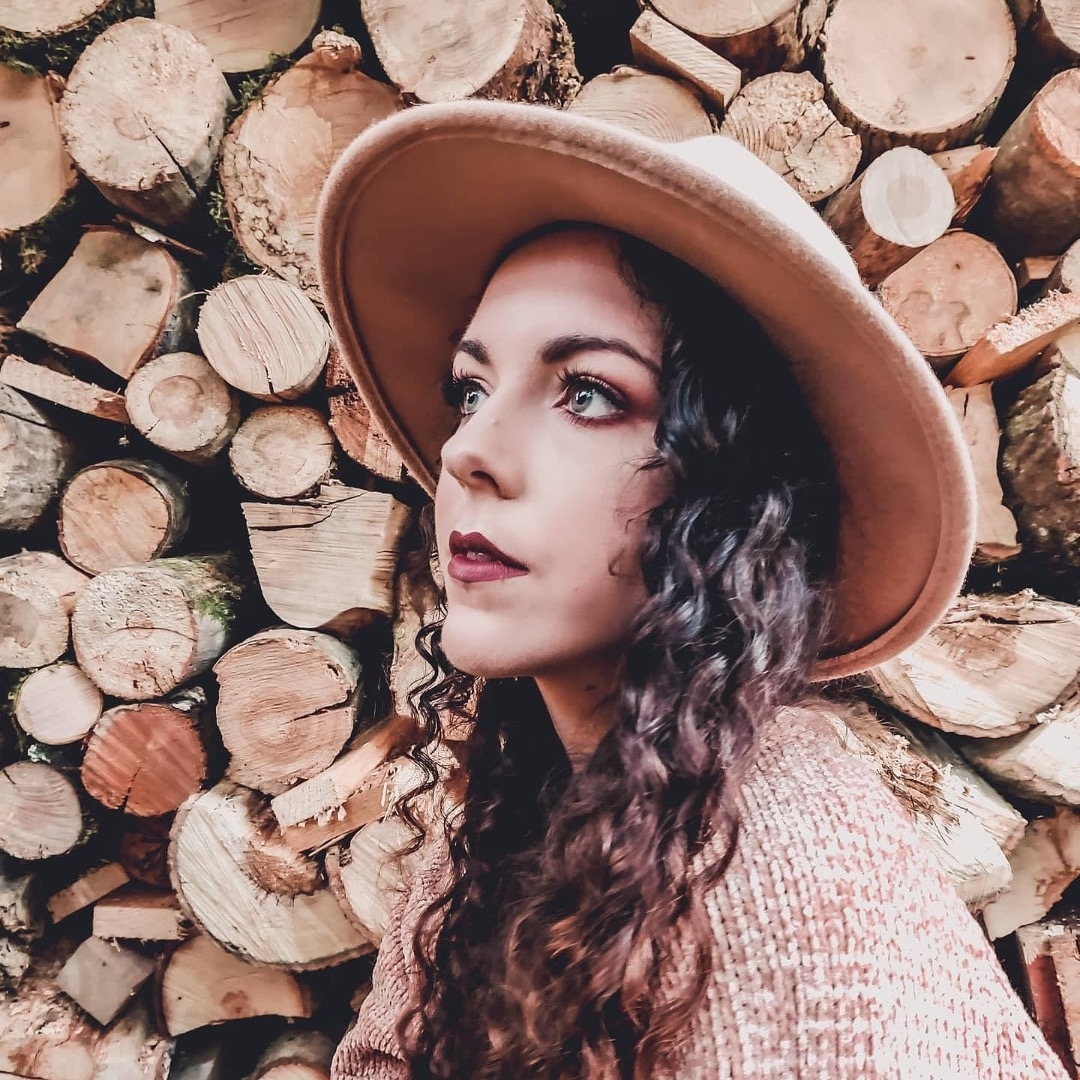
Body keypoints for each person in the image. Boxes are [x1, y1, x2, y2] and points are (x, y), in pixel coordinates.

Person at [315, 100, 1069, 1079]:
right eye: (471, 389)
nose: (467, 451)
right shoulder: (518, 814)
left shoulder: (780, 860)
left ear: (732, 498)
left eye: (587, 393)